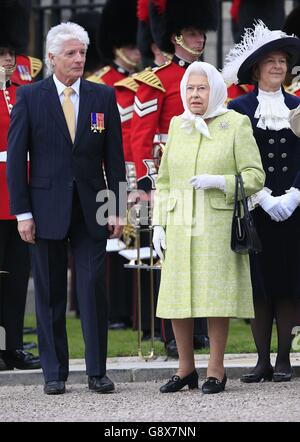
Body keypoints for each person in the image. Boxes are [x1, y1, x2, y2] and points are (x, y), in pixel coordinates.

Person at [6, 22, 126, 395]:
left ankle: (96, 371)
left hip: (92, 208)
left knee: (92, 288)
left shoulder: (102, 97)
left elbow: (115, 160)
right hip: (44, 210)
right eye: (71, 53)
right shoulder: (30, 97)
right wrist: (22, 213)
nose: (79, 59)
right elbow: (16, 160)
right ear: (53, 58)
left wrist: (118, 208)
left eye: (82, 53)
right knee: (50, 291)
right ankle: (54, 373)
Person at [152, 61, 265, 394]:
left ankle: (216, 369)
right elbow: (165, 180)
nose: (194, 94)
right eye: (189, 88)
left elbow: (256, 177)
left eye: (201, 88)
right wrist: (159, 222)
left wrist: (222, 182)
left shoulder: (236, 123)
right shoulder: (177, 125)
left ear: (214, 89)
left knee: (216, 298)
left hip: (218, 224)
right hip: (180, 221)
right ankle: (185, 369)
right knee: (177, 297)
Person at [131, 0, 218, 358]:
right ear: (176, 35)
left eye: (201, 32)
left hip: (204, 175)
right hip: (171, 177)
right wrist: (147, 183)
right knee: (172, 259)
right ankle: (172, 332)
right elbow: (141, 136)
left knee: (203, 254)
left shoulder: (209, 76)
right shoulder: (157, 79)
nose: (200, 39)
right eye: (194, 33)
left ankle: (199, 329)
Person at [224, 21, 300, 382]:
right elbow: (232, 157)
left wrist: (295, 194)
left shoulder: (298, 105)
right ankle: (261, 360)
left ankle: (284, 358)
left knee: (288, 284)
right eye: (270, 61)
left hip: (294, 207)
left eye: (282, 60)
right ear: (256, 68)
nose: (277, 66)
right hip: (256, 207)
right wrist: (262, 197)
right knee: (259, 285)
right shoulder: (237, 108)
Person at [0, 2, 41, 371]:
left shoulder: (23, 89)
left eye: (11, 53)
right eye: (2, 55)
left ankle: (11, 345)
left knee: (15, 278)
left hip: (19, 196)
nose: (8, 60)